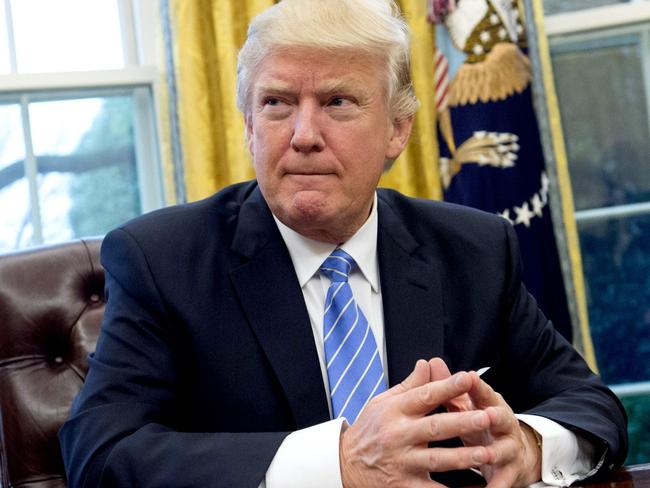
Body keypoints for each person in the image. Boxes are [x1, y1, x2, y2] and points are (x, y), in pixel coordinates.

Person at [59, 0, 627, 486]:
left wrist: (527, 445)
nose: (303, 136)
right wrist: (338, 463)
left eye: (337, 103)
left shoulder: (474, 249)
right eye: (277, 103)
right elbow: (99, 453)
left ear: (397, 130)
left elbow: (591, 406)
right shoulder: (161, 260)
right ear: (249, 127)